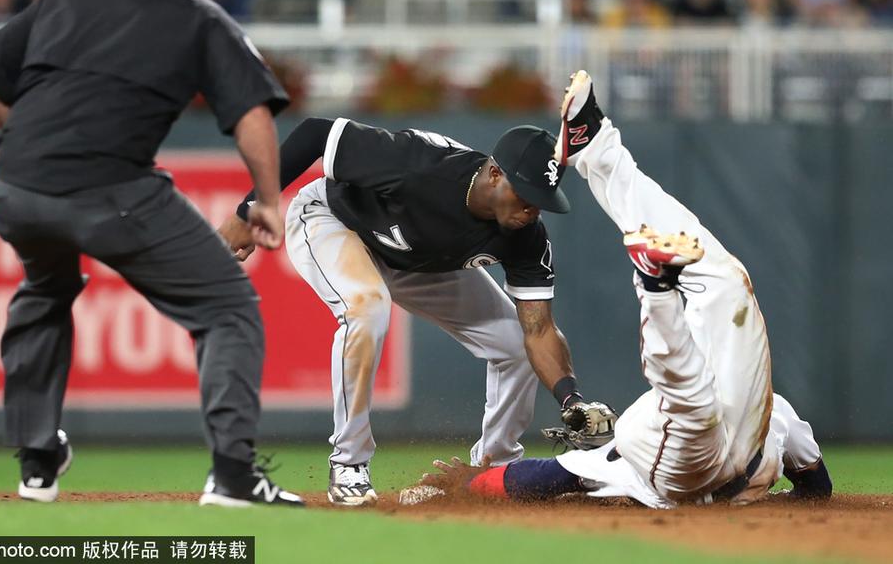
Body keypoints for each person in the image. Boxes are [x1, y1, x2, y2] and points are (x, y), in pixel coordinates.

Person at [0, 0, 302, 507]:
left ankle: (37, 462)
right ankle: (233, 477)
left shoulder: (60, 0)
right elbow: (252, 114)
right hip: (110, 187)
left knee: (45, 291)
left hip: (16, 188)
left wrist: (19, 139)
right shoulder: (198, 14)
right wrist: (267, 201)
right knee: (227, 307)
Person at [419, 72, 832, 508]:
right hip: (707, 461)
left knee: (706, 344)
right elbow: (816, 484)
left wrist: (467, 486)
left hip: (678, 460)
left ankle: (651, 276)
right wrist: (781, 496)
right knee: (712, 331)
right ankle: (649, 269)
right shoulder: (774, 415)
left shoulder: (640, 450)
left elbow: (547, 475)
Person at [218, 118, 616, 506]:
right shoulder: (419, 165)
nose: (532, 209)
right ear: (495, 174)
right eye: (526, 195)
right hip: (336, 221)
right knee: (367, 308)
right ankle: (350, 462)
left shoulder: (524, 235)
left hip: (418, 261)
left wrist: (570, 399)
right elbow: (316, 134)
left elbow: (539, 330)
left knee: (514, 343)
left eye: (542, 201)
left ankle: (492, 470)